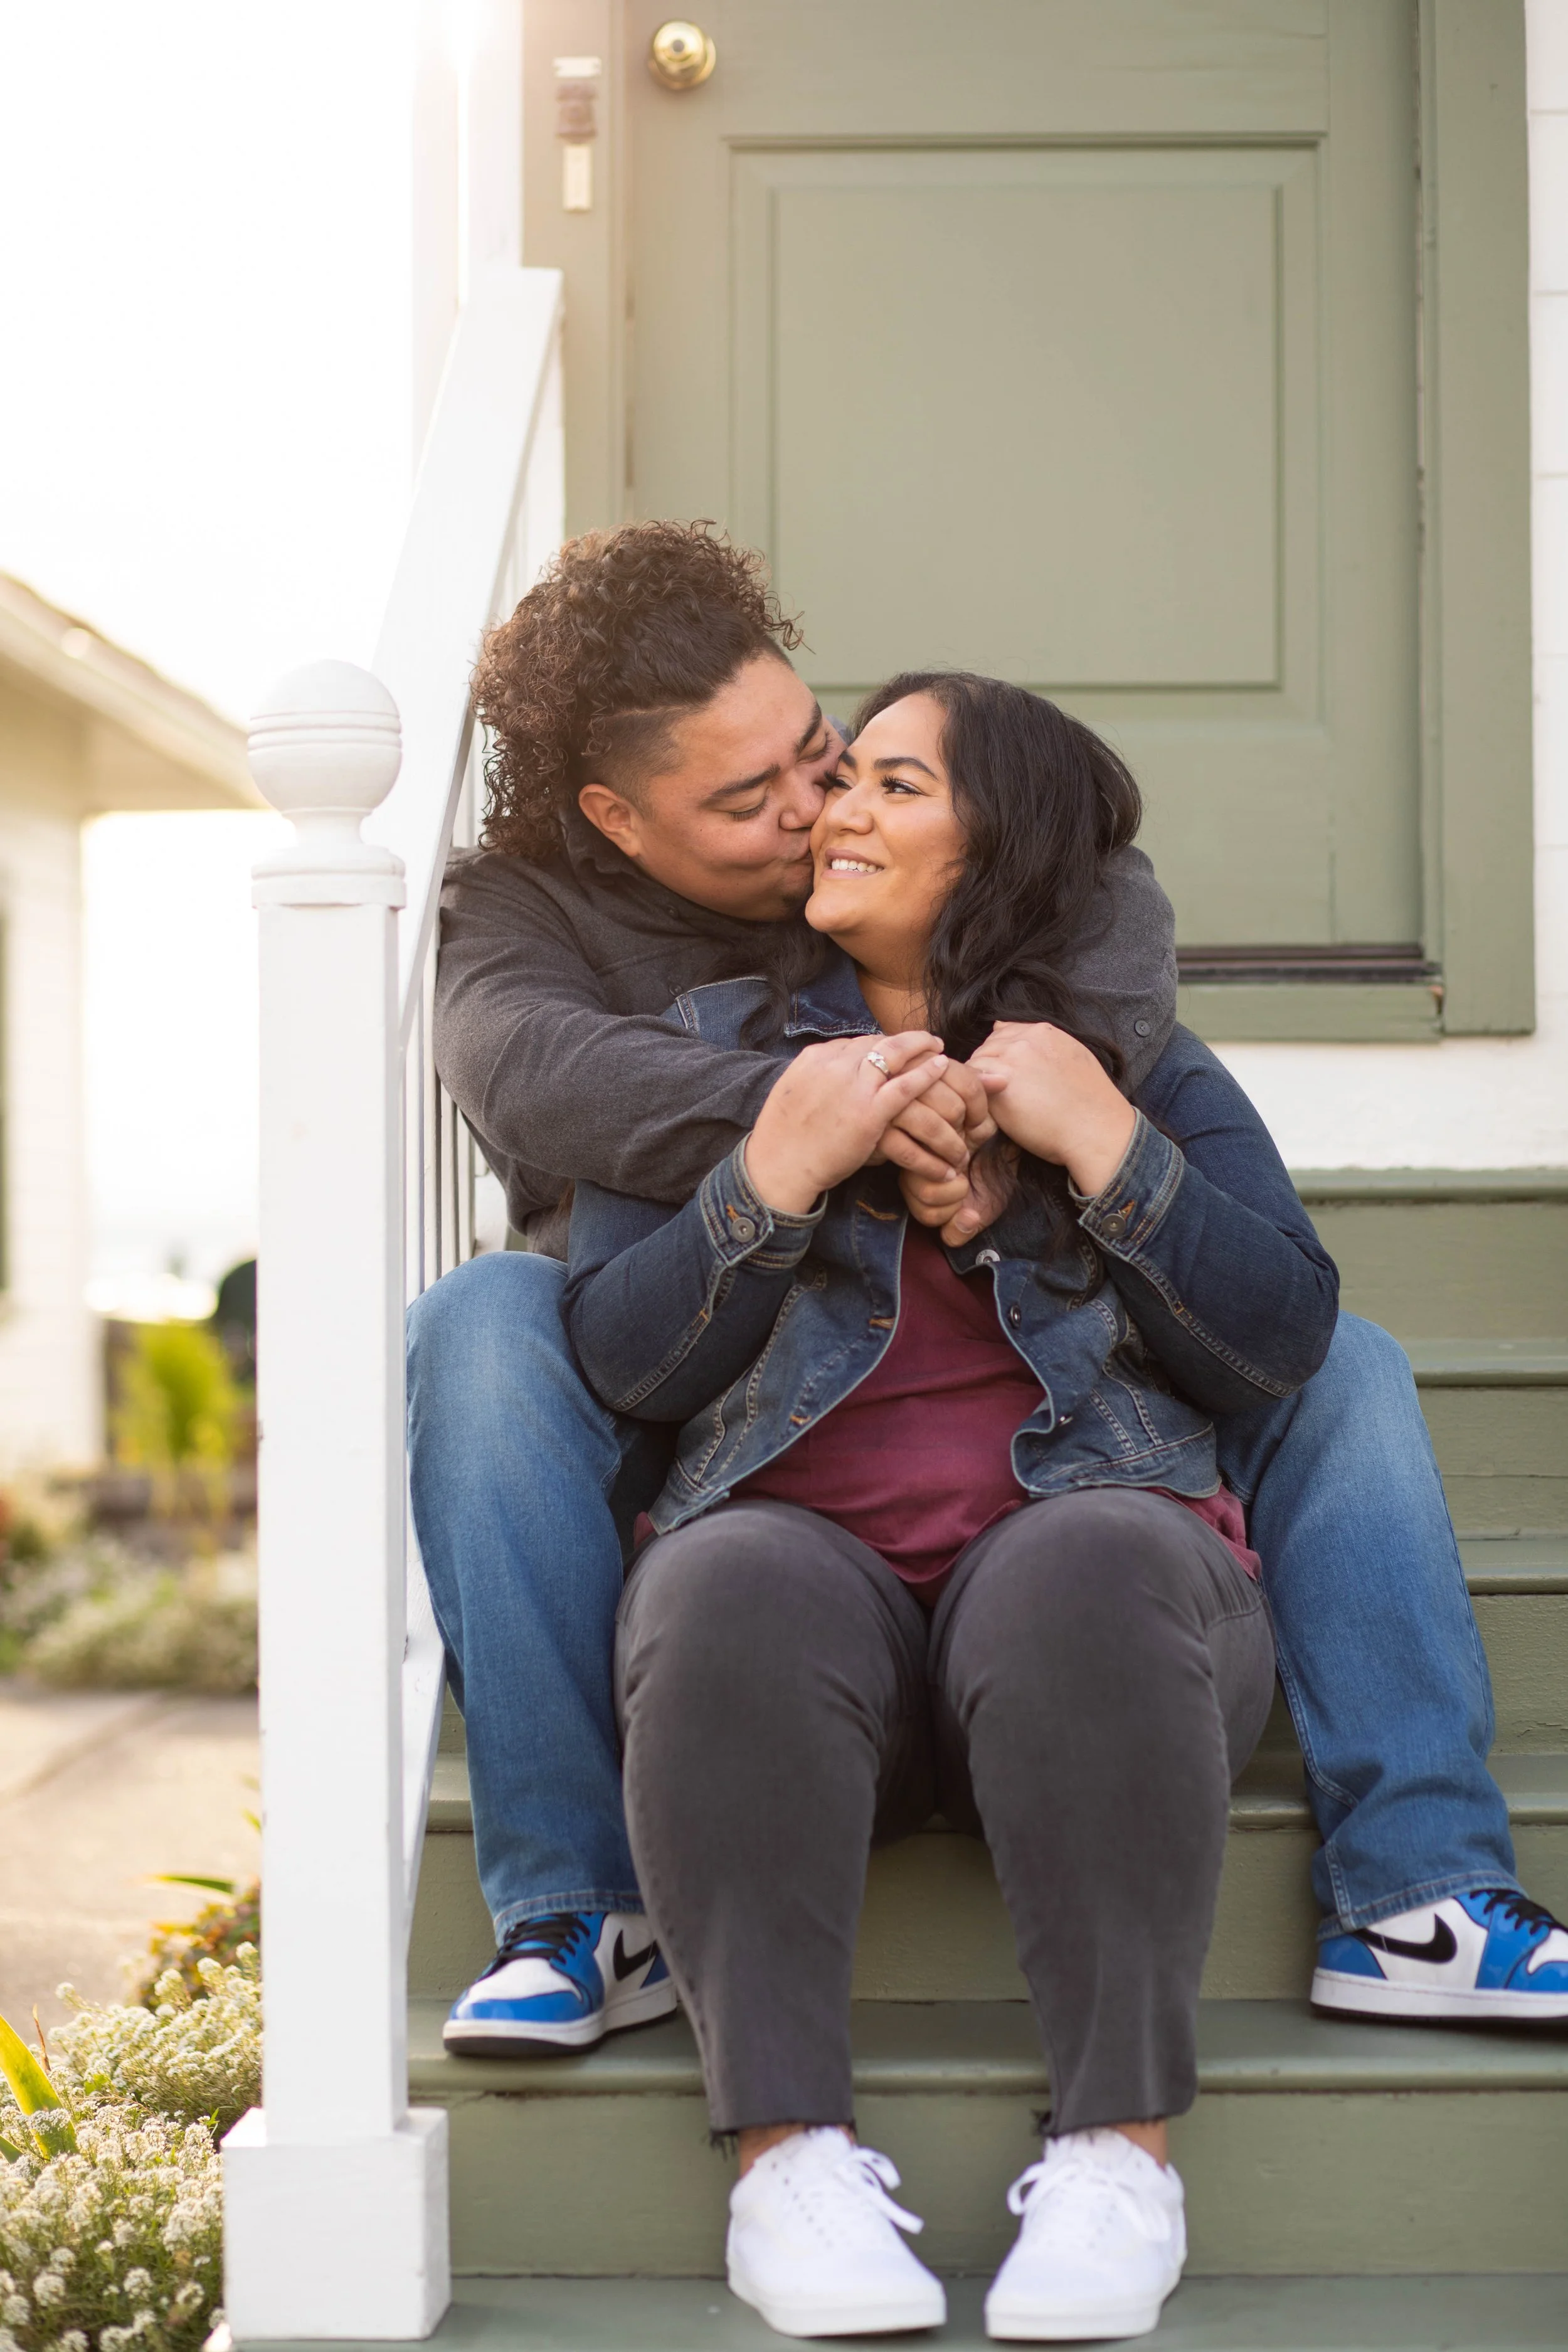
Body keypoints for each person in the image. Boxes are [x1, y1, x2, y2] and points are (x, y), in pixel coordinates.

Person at [410, 521, 1568, 2069]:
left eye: (828, 757)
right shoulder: (528, 914)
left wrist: (1032, 1129)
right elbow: (536, 1078)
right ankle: (580, 1903)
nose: (816, 811)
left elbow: (1090, 889)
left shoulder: (931, 877)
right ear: (617, 820)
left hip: (1036, 1410)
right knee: (477, 1324)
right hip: (695, 1373)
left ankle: (1418, 1888)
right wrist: (839, 1115)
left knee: (1331, 1354)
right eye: (750, 801)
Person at [563, 671, 1332, 2339]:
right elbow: (621, 1363)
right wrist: (774, 1171)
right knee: (721, 1577)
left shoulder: (1135, 1063)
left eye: (892, 785)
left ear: (1001, 845)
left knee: (1088, 1557)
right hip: (805, 1627)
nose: (833, 810)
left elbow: (1277, 1336)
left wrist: (1101, 1142)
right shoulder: (709, 1055)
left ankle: (1118, 2156)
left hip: (1092, 1621)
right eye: (844, 776)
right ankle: (786, 2162)